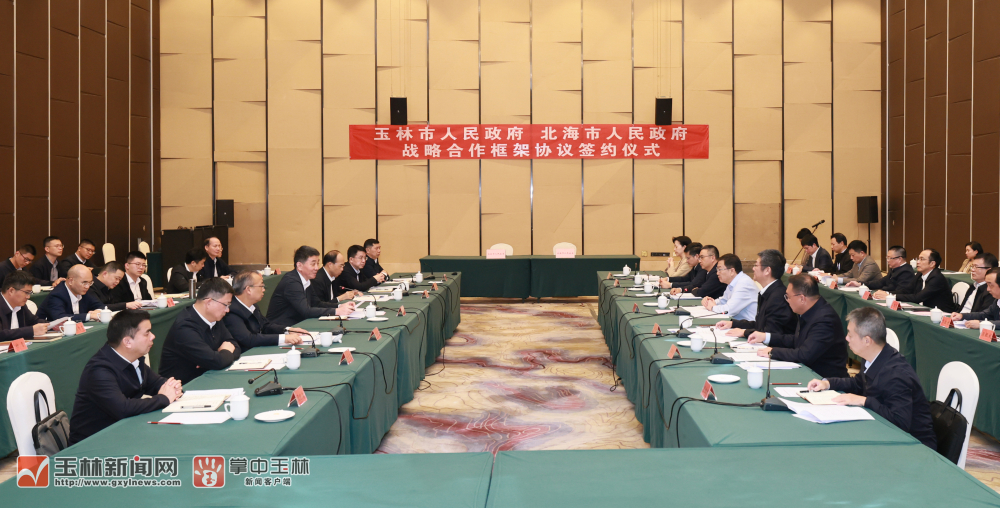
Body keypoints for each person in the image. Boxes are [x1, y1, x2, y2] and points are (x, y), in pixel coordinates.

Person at [807, 307, 937, 449]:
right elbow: (858, 384)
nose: (846, 338)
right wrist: (828, 383)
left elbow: (900, 422)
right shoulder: (873, 356)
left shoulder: (896, 374)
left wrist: (864, 401)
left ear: (867, 340)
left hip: (915, 445)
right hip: (884, 433)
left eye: (850, 334)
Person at [67, 310, 183, 445]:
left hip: (121, 433)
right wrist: (164, 398)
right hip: (92, 444)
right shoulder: (99, 370)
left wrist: (172, 387)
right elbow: (122, 409)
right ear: (127, 342)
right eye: (147, 333)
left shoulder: (134, 359)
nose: (153, 336)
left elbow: (157, 383)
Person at [750, 274, 848, 379]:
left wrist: (773, 352)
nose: (787, 300)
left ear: (802, 298)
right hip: (809, 373)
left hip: (824, 379)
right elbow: (797, 340)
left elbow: (804, 355)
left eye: (788, 296)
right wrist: (766, 337)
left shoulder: (825, 319)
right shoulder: (810, 309)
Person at [159, 278, 242, 384]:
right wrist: (221, 355)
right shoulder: (184, 327)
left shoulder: (214, 317)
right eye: (226, 305)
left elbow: (235, 346)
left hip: (207, 378)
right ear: (209, 302)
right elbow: (217, 362)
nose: (228, 310)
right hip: (184, 387)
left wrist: (215, 358)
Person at [267, 246, 357, 330]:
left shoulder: (306, 280)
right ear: (299, 266)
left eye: (317, 263)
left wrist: (340, 306)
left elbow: (317, 303)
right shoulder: (291, 282)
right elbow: (306, 311)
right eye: (313, 264)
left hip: (297, 325)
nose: (317, 268)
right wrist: (336, 311)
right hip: (281, 328)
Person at [716, 249, 796, 338]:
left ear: (767, 270)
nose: (753, 268)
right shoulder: (768, 292)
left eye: (756, 265)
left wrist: (744, 332)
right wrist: (733, 323)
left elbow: (769, 333)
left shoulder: (777, 297)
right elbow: (759, 325)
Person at [223, 271, 306, 351]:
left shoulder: (253, 305)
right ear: (248, 289)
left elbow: (265, 326)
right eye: (261, 286)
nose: (263, 290)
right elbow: (249, 339)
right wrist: (283, 338)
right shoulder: (231, 311)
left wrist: (287, 330)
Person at [875, 249, 957, 312]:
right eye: (918, 259)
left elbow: (918, 297)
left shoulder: (937, 278)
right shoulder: (919, 274)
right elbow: (907, 290)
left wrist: (891, 296)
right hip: (925, 310)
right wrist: (887, 293)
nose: (918, 262)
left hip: (941, 313)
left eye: (922, 259)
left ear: (932, 264)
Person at [37, 264, 104, 322]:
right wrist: (89, 316)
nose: (87, 286)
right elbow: (60, 318)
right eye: (84, 282)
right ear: (71, 281)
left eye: (90, 283)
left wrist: (98, 311)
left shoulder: (84, 290)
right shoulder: (57, 295)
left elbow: (101, 305)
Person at [702, 254, 757, 321]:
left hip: (748, 325)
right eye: (717, 269)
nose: (717, 273)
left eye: (720, 269)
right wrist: (709, 302)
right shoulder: (733, 283)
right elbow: (723, 301)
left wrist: (712, 307)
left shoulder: (744, 284)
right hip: (737, 322)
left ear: (732, 271)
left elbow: (728, 311)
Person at [0, 271, 48, 341]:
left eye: (30, 293)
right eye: (26, 292)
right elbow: (1, 334)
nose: (28, 297)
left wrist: (52, 325)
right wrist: (31, 331)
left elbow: (34, 321)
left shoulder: (20, 305)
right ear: (11, 291)